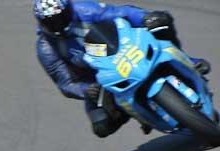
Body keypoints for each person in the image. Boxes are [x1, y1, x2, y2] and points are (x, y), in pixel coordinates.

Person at [34, 0, 211, 138]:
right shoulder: (46, 48)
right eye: (50, 23)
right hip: (99, 81)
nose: (57, 26)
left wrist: (145, 18)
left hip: (123, 51)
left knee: (161, 20)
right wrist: (87, 90)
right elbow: (65, 83)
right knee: (102, 127)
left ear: (69, 11)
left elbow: (122, 13)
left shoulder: (84, 10)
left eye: (60, 19)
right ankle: (133, 112)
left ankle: (188, 60)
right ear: (41, 23)